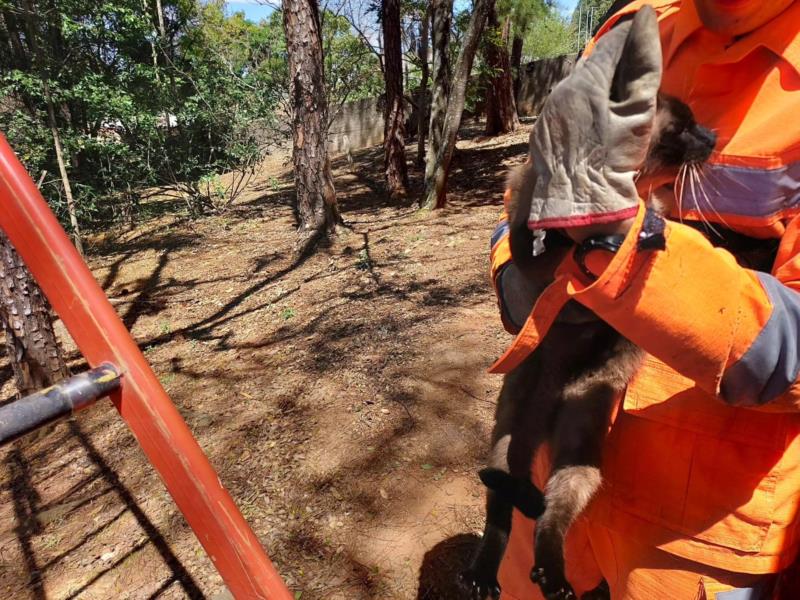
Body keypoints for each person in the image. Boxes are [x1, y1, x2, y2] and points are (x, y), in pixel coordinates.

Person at [488, 0, 800, 598]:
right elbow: (529, 190)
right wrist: (521, 282)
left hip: (693, 531)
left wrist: (625, 259)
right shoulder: (634, 25)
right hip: (553, 469)